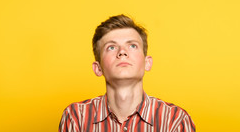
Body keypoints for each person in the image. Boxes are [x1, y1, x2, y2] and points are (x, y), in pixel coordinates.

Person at [59, 15, 195, 132]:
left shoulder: (175, 119)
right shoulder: (76, 117)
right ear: (98, 68)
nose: (122, 52)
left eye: (132, 46)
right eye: (111, 47)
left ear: (147, 63)